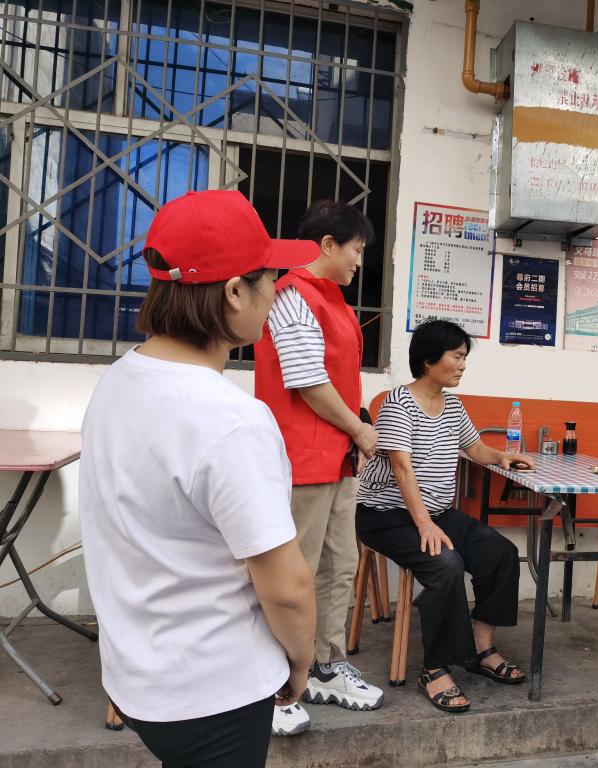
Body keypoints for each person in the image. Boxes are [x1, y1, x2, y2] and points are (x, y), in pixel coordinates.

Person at [79, 190, 317, 767]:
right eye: (272, 279)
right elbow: (286, 587)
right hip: (215, 691)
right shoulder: (231, 419)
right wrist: (299, 661)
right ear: (235, 292)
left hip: (137, 679)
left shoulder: (118, 381)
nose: (276, 293)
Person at [356, 320, 532, 714]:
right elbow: (402, 468)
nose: (463, 365)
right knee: (446, 563)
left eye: (464, 357)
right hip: (386, 515)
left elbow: (475, 448)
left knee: (500, 553)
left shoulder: (452, 405)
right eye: (457, 356)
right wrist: (424, 524)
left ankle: (482, 650)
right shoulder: (399, 403)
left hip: (436, 512)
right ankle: (434, 668)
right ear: (428, 361)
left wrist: (502, 457)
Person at [254, 200, 383, 734]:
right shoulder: (293, 295)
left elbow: (337, 379)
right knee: (294, 573)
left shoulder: (333, 301)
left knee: (338, 565)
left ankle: (324, 665)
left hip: (337, 459)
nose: (359, 261)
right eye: (355, 249)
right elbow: (307, 380)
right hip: (302, 459)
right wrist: (360, 429)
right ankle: (273, 684)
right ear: (327, 245)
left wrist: (354, 431)